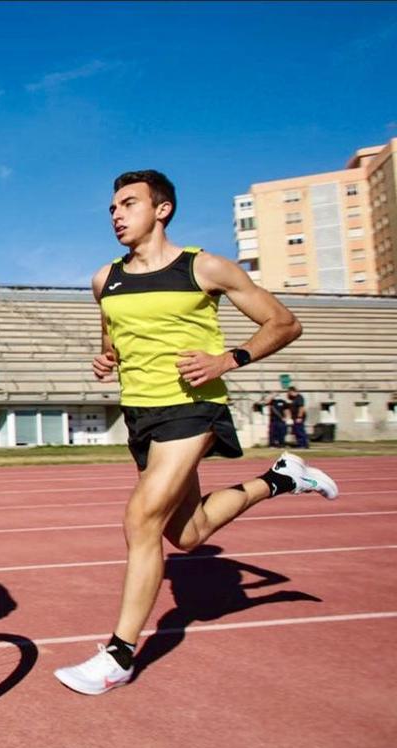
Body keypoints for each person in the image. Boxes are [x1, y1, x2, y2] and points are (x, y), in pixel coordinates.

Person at [53, 170, 340, 696]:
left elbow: (284, 322)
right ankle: (280, 480)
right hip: (141, 415)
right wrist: (107, 359)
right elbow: (113, 337)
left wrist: (227, 359)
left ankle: (118, 655)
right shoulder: (104, 279)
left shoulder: (203, 267)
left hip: (193, 409)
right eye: (112, 207)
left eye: (128, 203)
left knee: (140, 518)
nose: (116, 214)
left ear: (161, 210)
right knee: (187, 534)